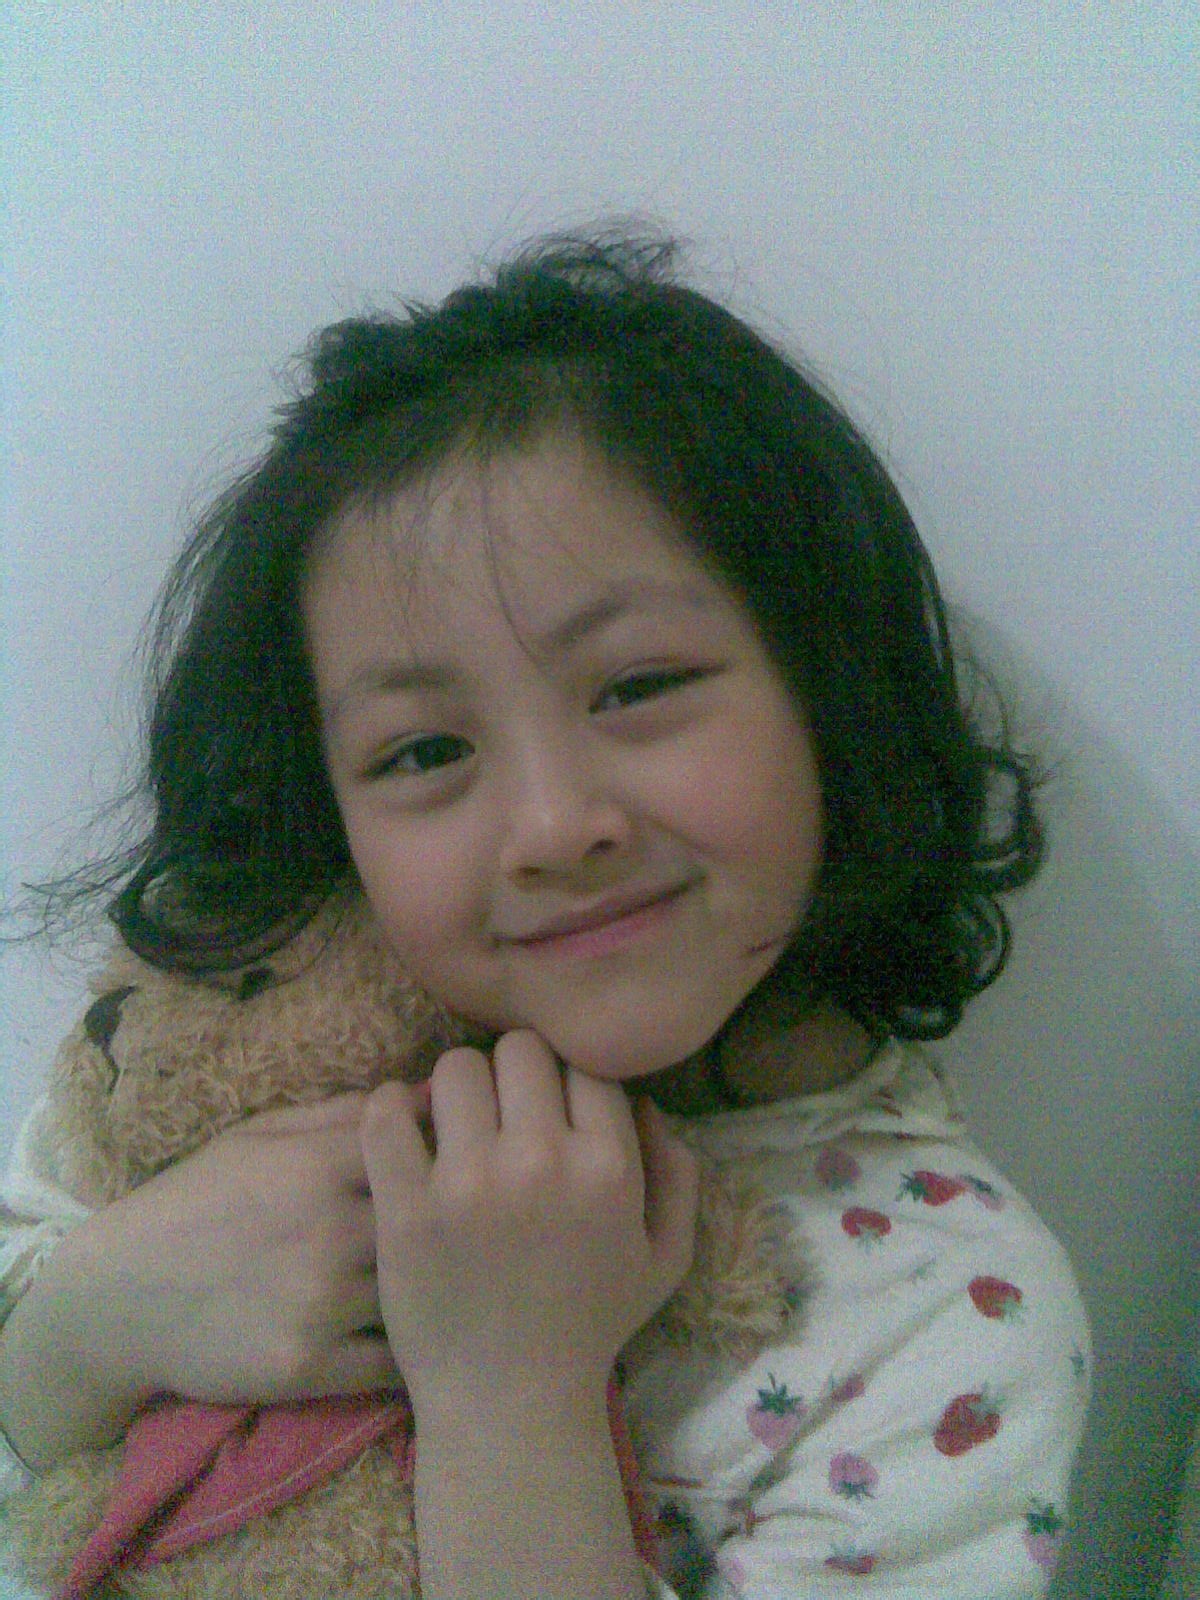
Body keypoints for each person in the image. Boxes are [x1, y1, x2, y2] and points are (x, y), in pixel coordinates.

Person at [0, 230, 1091, 1598]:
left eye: (638, 687)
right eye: (422, 752)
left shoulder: (945, 1318)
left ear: (832, 689)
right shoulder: (238, 1044)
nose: (553, 825)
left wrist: (512, 1405)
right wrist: (95, 1316)